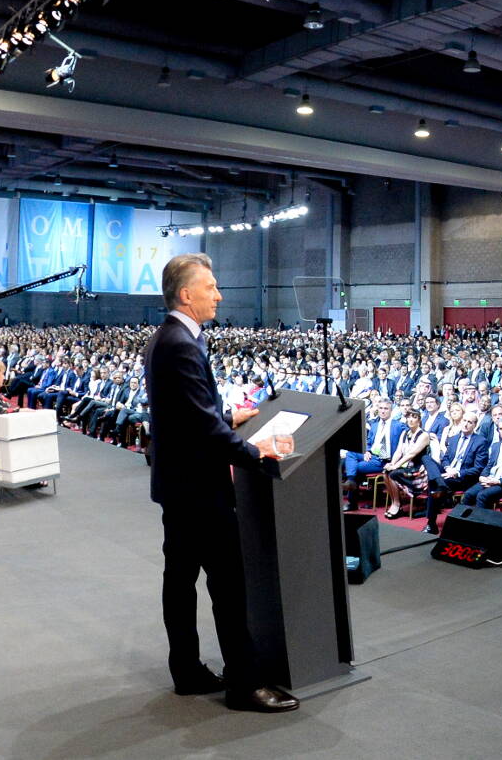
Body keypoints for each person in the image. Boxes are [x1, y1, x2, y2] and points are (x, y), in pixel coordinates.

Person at [142, 253, 296, 714]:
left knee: (180, 579)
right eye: (210, 287)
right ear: (186, 295)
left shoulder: (166, 338)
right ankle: (245, 685)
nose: (219, 294)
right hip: (200, 489)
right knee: (229, 586)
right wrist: (255, 451)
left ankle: (186, 670)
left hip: (178, 484)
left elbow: (184, 416)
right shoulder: (182, 343)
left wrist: (230, 416)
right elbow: (202, 431)